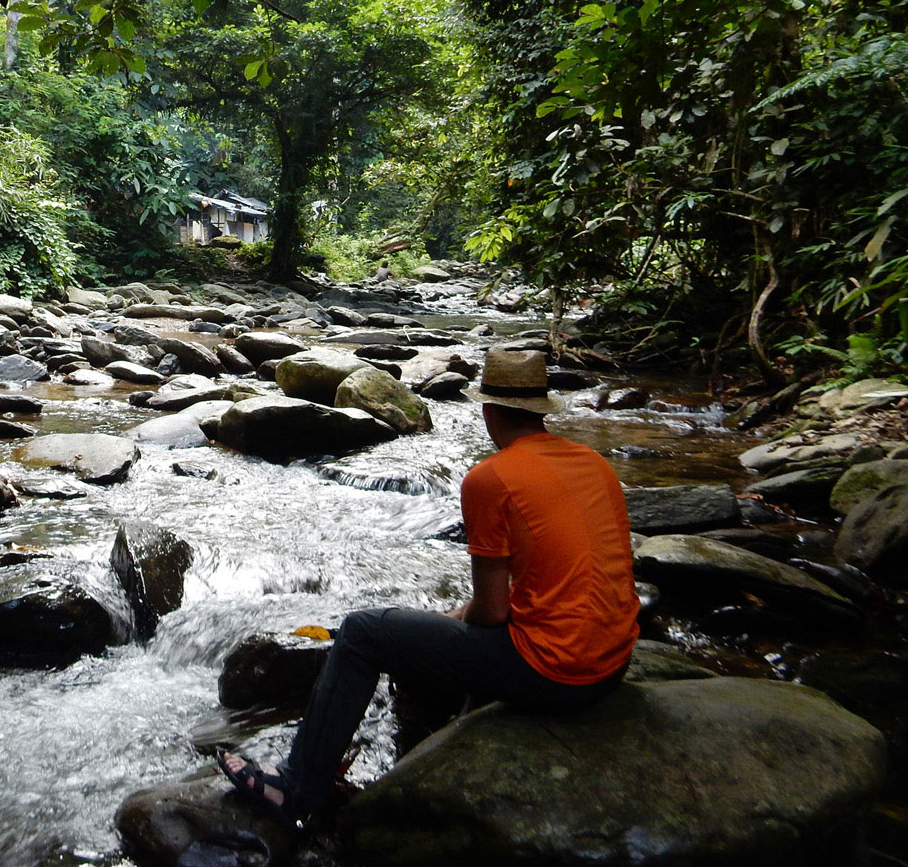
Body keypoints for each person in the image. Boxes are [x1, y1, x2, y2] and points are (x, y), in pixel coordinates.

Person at [220, 348, 640, 827]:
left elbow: (492, 613)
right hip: (613, 662)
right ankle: (422, 734)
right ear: (541, 410)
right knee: (428, 631)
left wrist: (458, 617)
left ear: (486, 411)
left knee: (364, 631)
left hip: (557, 675)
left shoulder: (491, 478)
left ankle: (297, 787)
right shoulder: (594, 463)